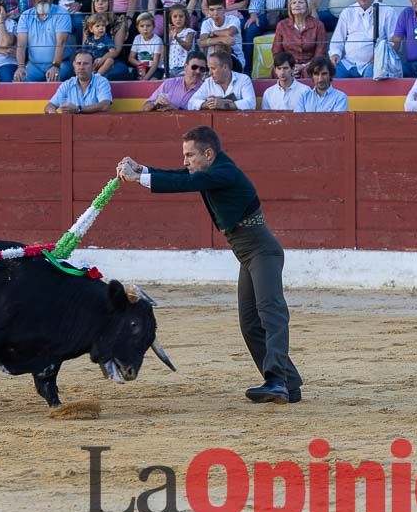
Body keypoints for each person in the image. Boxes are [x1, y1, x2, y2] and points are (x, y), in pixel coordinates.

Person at [117, 125, 303, 403]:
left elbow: (185, 183)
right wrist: (142, 170)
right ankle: (289, 383)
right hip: (248, 254)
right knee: (250, 323)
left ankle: (276, 380)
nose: (185, 161)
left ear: (208, 153)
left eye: (190, 155)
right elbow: (182, 176)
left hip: (262, 251)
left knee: (271, 313)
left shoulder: (224, 172)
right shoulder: (210, 171)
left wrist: (138, 179)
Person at [329, 0, 393, 78]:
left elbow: (393, 40)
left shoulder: (387, 11)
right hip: (349, 63)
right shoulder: (348, 12)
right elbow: (337, 40)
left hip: (374, 63)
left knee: (370, 79)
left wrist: (380, 56)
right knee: (333, 75)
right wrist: (335, 54)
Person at [15, 0, 72, 81]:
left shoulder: (62, 13)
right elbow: (21, 45)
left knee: (53, 79)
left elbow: (61, 42)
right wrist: (21, 66)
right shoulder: (25, 16)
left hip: (60, 63)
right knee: (19, 79)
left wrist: (55, 66)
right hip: (34, 66)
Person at [274, 0, 328, 75]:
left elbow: (320, 53)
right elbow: (277, 51)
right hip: (287, 65)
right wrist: (289, 67)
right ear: (290, 7)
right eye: (294, 3)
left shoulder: (318, 25)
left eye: (301, 2)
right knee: (279, 72)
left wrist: (304, 66)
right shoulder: (282, 25)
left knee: (308, 72)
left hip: (311, 65)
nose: (297, 5)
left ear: (307, 6)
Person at [45, 50, 114, 113]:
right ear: (74, 65)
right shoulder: (67, 84)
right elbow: (49, 106)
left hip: (96, 124)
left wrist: (79, 109)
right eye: (78, 63)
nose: (81, 67)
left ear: (93, 66)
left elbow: (105, 105)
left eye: (86, 63)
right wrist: (55, 116)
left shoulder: (101, 81)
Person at [189, 49, 256, 110]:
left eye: (213, 68)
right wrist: (208, 104)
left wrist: (224, 104)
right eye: (209, 69)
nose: (210, 73)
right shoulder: (208, 82)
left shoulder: (243, 79)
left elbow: (251, 104)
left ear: (225, 67)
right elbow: (191, 103)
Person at [200, 0, 248, 72]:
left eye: (219, 9)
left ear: (225, 9)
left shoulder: (233, 19)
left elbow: (229, 33)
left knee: (220, 46)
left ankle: (215, 71)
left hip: (235, 60)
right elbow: (202, 42)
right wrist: (222, 39)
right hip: (211, 62)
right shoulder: (206, 23)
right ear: (208, 11)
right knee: (219, 44)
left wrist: (213, 34)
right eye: (212, 10)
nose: (215, 13)